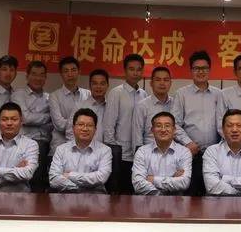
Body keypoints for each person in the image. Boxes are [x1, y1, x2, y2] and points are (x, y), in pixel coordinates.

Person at [172, 50, 223, 195]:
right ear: (191, 70)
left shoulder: (219, 94)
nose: (201, 72)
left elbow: (223, 122)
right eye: (196, 68)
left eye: (204, 68)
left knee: (214, 194)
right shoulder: (181, 94)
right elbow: (174, 123)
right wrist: (188, 143)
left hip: (214, 155)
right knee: (191, 195)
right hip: (190, 153)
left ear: (209, 70)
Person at [103, 54, 148, 194]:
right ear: (125, 71)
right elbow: (109, 125)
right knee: (120, 194)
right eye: (131, 69)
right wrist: (114, 151)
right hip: (121, 153)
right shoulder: (116, 93)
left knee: (136, 193)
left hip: (139, 153)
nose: (135, 73)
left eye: (139, 69)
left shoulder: (144, 94)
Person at [10, 60, 52, 192]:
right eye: (34, 74)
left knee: (39, 184)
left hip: (45, 145)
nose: (38, 78)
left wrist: (35, 117)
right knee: (21, 183)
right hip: (23, 144)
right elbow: (25, 118)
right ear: (27, 76)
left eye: (41, 75)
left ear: (45, 77)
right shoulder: (18, 94)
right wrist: (47, 117)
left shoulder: (49, 98)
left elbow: (53, 125)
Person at [49, 108, 112, 193]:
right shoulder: (61, 150)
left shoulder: (105, 151)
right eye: (81, 124)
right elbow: (54, 179)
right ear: (73, 128)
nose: (85, 129)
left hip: (95, 197)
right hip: (67, 196)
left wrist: (71, 175)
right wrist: (77, 188)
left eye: (89, 125)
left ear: (95, 130)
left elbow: (101, 177)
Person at [131, 111, 192, 195]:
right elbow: (138, 184)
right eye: (158, 126)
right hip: (148, 201)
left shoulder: (184, 152)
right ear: (152, 130)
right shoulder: (142, 152)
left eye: (167, 126)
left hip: (176, 202)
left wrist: (153, 180)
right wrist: (171, 182)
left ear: (174, 130)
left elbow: (184, 183)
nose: (163, 130)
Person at [49, 57, 91, 159]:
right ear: (61, 74)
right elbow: (59, 125)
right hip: (59, 146)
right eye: (66, 71)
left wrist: (71, 123)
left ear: (79, 72)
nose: (70, 74)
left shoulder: (88, 94)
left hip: (85, 148)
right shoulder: (54, 96)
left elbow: (92, 122)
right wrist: (83, 126)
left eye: (73, 70)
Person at [133, 66, 174, 150]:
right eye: (158, 80)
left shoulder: (176, 104)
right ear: (151, 83)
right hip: (149, 152)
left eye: (166, 80)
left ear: (170, 83)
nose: (162, 83)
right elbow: (137, 136)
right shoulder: (142, 106)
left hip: (173, 152)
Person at [68, 69, 109, 143]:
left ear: (107, 85)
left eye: (102, 83)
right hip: (83, 148)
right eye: (95, 83)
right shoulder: (79, 106)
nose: (98, 87)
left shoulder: (111, 107)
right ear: (90, 86)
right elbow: (70, 133)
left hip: (107, 148)